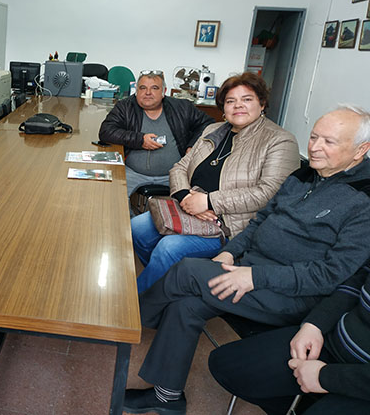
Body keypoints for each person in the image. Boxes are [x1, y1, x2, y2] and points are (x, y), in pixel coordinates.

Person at [123, 105, 370, 415]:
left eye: (329, 142)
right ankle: (166, 397)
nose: (315, 147)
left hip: (292, 295)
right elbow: (259, 222)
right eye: (314, 137)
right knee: (185, 306)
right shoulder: (305, 174)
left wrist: (254, 277)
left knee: (186, 271)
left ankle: (126, 322)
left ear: (361, 150)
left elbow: (331, 274)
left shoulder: (364, 200)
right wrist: (229, 252)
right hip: (247, 270)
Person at [130, 72, 300, 293]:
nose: (238, 105)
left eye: (247, 99)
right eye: (231, 101)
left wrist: (209, 202)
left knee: (169, 248)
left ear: (262, 104)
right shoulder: (213, 130)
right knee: (136, 229)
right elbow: (179, 167)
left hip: (231, 224)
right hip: (189, 208)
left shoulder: (280, 140)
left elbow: (269, 193)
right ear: (223, 107)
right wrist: (186, 198)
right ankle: (170, 283)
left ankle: (140, 303)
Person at [208, 266, 370, 415]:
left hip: (361, 384)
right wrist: (315, 324)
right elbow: (358, 281)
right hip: (332, 341)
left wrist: (325, 377)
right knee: (225, 366)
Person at [98, 70, 215, 199]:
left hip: (175, 175)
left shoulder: (182, 107)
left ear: (164, 92)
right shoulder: (125, 107)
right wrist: (140, 140)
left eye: (154, 88)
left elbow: (208, 124)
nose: (148, 93)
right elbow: (106, 131)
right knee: (112, 201)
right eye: (143, 88)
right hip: (132, 172)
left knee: (192, 205)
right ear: (136, 90)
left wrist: (192, 145)